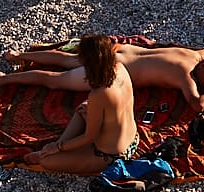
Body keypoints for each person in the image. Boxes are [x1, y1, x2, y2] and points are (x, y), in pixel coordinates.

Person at [12, 33, 140, 177]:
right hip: (133, 138)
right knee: (83, 107)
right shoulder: (121, 68)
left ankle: (50, 150)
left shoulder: (100, 94)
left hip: (111, 156)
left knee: (47, 160)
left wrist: (59, 147)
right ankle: (55, 147)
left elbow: (89, 137)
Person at [0, 39, 204, 111]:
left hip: (122, 53)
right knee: (54, 81)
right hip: (116, 70)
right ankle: (2, 79)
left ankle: (18, 57)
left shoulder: (197, 55)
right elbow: (198, 104)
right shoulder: (187, 74)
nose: (203, 84)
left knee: (66, 59)